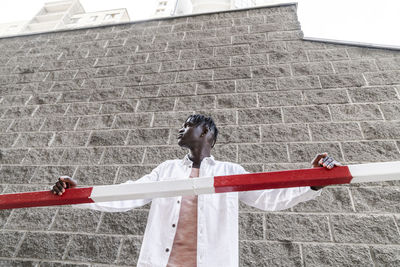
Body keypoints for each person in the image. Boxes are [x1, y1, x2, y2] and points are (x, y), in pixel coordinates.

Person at [52, 114, 341, 267]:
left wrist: (313, 182)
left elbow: (269, 198)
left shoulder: (230, 171)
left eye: (187, 125)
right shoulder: (166, 170)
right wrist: (82, 194)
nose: (179, 130)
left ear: (205, 133)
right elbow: (129, 193)